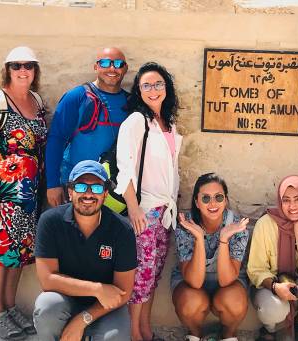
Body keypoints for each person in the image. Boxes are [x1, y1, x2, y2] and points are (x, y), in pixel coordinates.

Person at [0, 46, 47, 340]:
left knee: (19, 255)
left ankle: (10, 307)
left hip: (27, 196)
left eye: (29, 65)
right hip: (1, 195)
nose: (23, 70)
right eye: (16, 65)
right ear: (8, 69)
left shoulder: (37, 101)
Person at [115, 61, 182, 341]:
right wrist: (133, 209)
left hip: (164, 213)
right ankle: (134, 334)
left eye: (158, 84)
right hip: (144, 211)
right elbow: (125, 168)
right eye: (146, 85)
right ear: (138, 90)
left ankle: (145, 330)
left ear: (166, 87)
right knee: (140, 278)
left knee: (151, 277)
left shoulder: (168, 124)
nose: (153, 90)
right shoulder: (135, 122)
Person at [33, 160, 136, 341]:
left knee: (115, 337)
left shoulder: (122, 230)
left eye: (96, 188)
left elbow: (123, 291)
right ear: (70, 192)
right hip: (65, 300)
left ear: (105, 194)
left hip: (105, 306)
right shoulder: (50, 221)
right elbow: (47, 280)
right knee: (47, 306)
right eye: (81, 187)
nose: (88, 194)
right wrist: (97, 289)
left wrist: (82, 320)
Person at [247, 175, 298, 341]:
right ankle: (269, 330)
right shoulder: (265, 224)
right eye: (286, 200)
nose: (292, 206)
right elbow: (255, 270)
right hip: (270, 286)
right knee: (273, 307)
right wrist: (276, 287)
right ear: (280, 201)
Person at [45, 47, 129, 207]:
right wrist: (52, 184)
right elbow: (56, 139)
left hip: (114, 192)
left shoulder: (130, 102)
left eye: (118, 63)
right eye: (105, 63)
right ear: (95, 67)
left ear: (125, 68)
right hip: (77, 188)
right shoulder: (77, 97)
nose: (112, 68)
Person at [173, 173, 250, 341]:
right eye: (206, 198)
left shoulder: (237, 226)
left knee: (234, 302)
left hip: (227, 284)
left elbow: (227, 280)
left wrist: (224, 239)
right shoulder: (186, 226)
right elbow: (194, 282)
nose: (213, 203)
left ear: (226, 200)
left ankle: (228, 334)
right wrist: (199, 238)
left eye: (218, 197)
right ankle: (196, 334)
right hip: (191, 284)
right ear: (196, 202)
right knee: (190, 302)